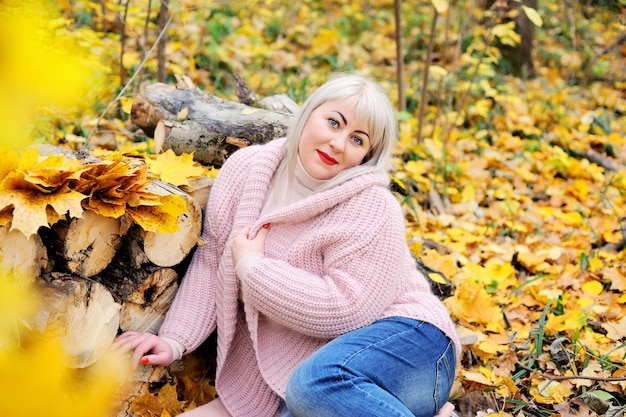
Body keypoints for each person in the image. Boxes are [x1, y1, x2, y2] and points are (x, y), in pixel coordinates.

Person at [113, 73, 461, 417]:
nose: (338, 143)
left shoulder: (372, 205)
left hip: (413, 347)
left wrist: (253, 268)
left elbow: (347, 309)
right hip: (324, 383)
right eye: (333, 122)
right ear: (309, 114)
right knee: (306, 394)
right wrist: (175, 340)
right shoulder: (247, 171)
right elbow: (212, 259)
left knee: (312, 386)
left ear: (367, 156)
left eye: (357, 139)